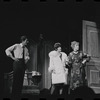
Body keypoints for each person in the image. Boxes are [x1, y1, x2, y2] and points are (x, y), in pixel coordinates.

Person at [5, 35, 30, 100]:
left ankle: (18, 95)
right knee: (16, 80)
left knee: (21, 80)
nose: (27, 42)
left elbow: (27, 56)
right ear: (23, 40)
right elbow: (7, 50)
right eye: (26, 40)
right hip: (17, 62)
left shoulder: (26, 49)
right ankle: (14, 96)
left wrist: (27, 59)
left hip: (23, 64)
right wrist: (12, 57)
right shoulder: (16, 45)